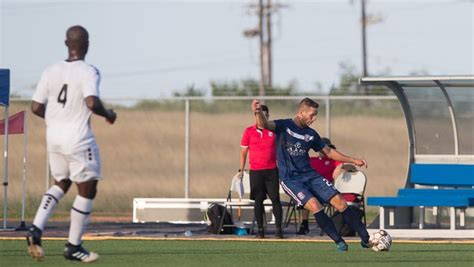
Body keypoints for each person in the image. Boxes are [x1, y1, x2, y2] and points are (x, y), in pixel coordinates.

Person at [27, 25, 117, 263]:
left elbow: (35, 107)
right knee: (88, 187)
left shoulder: (51, 70)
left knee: (62, 182)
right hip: (78, 138)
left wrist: (56, 118)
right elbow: (90, 102)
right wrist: (107, 113)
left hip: (53, 137)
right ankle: (74, 245)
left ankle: (36, 229)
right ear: (87, 44)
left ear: (66, 43)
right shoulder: (89, 71)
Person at [251, 98, 370, 251]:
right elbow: (263, 125)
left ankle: (366, 238)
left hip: (311, 175)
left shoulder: (311, 134)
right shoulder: (283, 126)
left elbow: (329, 152)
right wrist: (258, 112)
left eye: (315, 115)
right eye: (312, 115)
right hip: (291, 180)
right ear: (301, 113)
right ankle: (339, 242)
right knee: (315, 206)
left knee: (340, 202)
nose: (314, 119)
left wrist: (353, 160)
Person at [239, 105, 283, 238]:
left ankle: (278, 230)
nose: (262, 118)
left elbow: (280, 152)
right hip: (256, 171)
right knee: (258, 200)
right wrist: (241, 170)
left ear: (268, 117)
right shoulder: (248, 131)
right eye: (260, 115)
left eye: (265, 116)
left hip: (271, 170)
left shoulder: (274, 132)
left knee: (275, 199)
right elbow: (243, 151)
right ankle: (260, 230)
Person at [297, 138, 347, 235]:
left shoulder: (333, 161)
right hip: (310, 188)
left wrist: (340, 168)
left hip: (325, 189)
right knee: (304, 195)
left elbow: (347, 166)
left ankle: (325, 225)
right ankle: (305, 224)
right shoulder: (312, 160)